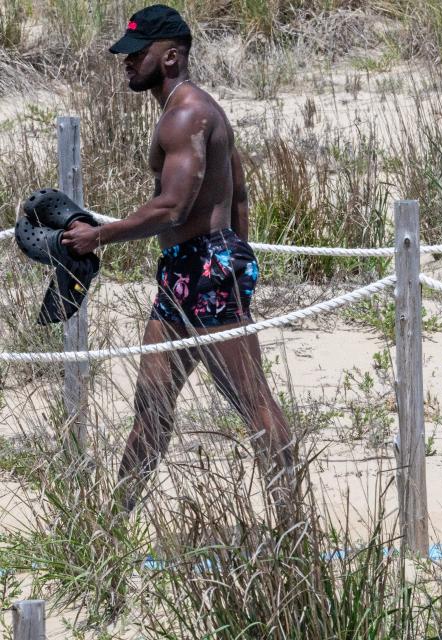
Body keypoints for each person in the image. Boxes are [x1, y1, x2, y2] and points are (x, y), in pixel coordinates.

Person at [62, 4, 299, 520]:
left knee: (254, 405)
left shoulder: (188, 113)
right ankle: (114, 526)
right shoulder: (184, 111)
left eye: (136, 53)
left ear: (170, 56)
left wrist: (98, 236)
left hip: (208, 272)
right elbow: (238, 193)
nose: (126, 63)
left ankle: (295, 530)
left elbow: (174, 206)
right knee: (151, 406)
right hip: (184, 271)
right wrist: (241, 254)